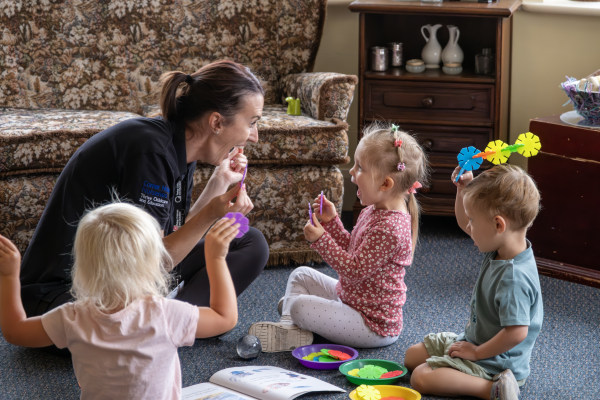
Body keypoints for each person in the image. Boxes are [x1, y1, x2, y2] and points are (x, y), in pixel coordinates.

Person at [19, 60, 269, 321]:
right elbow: (155, 262)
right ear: (216, 122)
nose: (254, 136)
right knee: (130, 318)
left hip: (116, 279)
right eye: (251, 122)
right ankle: (159, 328)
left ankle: (161, 327)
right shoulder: (150, 151)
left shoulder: (180, 146)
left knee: (251, 243)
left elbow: (175, 236)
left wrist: (218, 183)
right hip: (63, 297)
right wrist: (211, 214)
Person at [0, 202, 241, 399]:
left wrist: (9, 276)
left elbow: (15, 332)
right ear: (152, 261)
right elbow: (225, 318)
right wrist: (216, 258)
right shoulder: (165, 314)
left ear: (83, 263)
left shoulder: (72, 317)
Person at [249, 123, 429, 352]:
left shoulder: (390, 228)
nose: (352, 173)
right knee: (301, 274)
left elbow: (353, 270)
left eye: (360, 168)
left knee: (299, 306)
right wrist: (332, 222)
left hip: (370, 325)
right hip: (351, 299)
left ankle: (294, 319)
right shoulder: (375, 209)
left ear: (385, 183)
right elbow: (353, 249)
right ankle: (290, 328)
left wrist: (320, 240)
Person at [404, 164, 543, 400]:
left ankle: (495, 390)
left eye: (473, 221)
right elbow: (462, 222)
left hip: (497, 361)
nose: (468, 227)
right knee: (411, 356)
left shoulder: (513, 277)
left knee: (421, 377)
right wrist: (464, 189)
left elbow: (517, 332)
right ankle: (466, 360)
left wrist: (477, 353)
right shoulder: (503, 244)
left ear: (498, 225)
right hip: (476, 340)